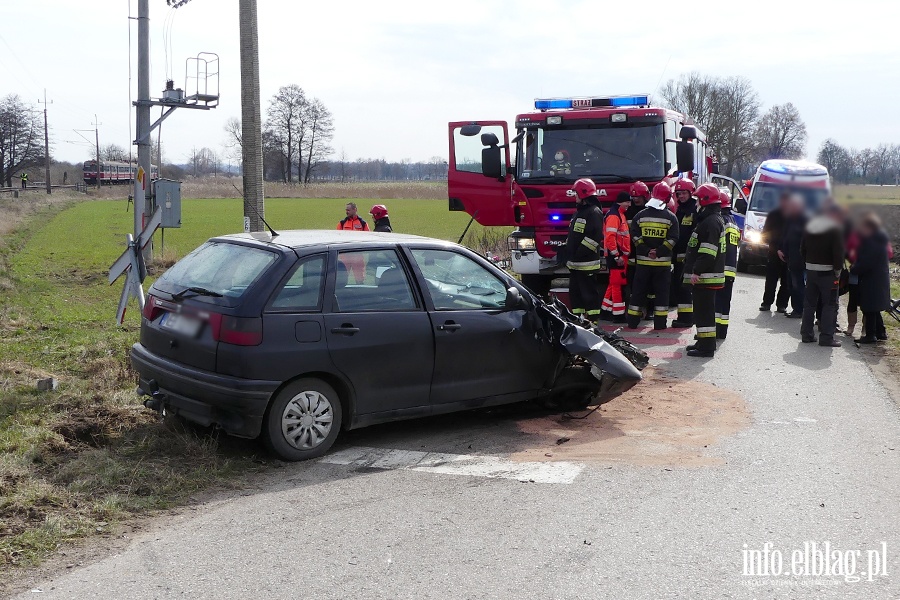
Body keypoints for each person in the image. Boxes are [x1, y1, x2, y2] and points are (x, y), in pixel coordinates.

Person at [627, 182, 679, 330]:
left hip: (643, 263)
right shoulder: (671, 217)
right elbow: (673, 238)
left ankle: (632, 322)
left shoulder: (639, 216)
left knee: (638, 293)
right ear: (668, 197)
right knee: (662, 295)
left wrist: (645, 250)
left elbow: (635, 237)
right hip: (662, 265)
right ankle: (660, 324)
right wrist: (659, 252)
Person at [682, 183, 726, 357]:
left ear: (705, 200)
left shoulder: (711, 222)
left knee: (705, 312)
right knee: (701, 312)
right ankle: (702, 342)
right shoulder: (710, 220)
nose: (696, 204)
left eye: (698, 200)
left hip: (706, 277)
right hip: (705, 276)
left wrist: (697, 271)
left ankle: (706, 347)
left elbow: (708, 253)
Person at [799, 204, 844, 347]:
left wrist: (808, 263)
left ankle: (806, 334)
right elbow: (838, 253)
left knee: (809, 304)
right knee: (830, 305)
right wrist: (838, 271)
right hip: (828, 272)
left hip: (811, 271)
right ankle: (826, 337)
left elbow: (802, 249)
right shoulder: (835, 229)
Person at [565, 178, 606, 320]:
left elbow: (594, 239)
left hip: (586, 264)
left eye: (576, 193)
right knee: (575, 297)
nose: (574, 196)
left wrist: (577, 254)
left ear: (583, 194)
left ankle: (593, 322)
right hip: (575, 265)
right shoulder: (579, 213)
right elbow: (574, 236)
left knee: (589, 295)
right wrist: (566, 251)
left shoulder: (594, 212)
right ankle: (578, 320)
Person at [851, 213, 891, 343]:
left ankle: (871, 335)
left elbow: (866, 263)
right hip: (879, 278)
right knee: (875, 307)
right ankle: (881, 332)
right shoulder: (880, 240)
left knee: (869, 308)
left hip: (871, 280)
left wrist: (854, 269)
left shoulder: (871, 243)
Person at [670, 178, 697, 327]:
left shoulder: (694, 210)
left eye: (683, 193)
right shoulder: (680, 209)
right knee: (679, 287)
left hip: (688, 257)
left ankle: (686, 319)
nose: (681, 196)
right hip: (679, 257)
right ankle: (683, 317)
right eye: (678, 194)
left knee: (684, 288)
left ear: (690, 193)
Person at [600, 192, 631, 322]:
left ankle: (605, 311)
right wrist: (616, 255)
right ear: (621, 202)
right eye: (627, 202)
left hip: (618, 255)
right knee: (618, 285)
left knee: (614, 284)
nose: (629, 204)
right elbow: (610, 238)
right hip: (616, 255)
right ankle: (618, 316)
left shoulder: (618, 214)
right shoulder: (614, 215)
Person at [760, 193, 791, 312]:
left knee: (787, 282)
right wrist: (777, 249)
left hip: (788, 254)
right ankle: (766, 303)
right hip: (774, 253)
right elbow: (765, 235)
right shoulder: (773, 215)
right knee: (771, 281)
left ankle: (782, 305)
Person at [716, 189, 741, 339]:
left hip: (720, 268)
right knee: (725, 304)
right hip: (730, 269)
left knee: (716, 303)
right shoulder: (733, 222)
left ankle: (713, 333)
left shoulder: (721, 221)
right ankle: (721, 332)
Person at [780, 194, 807, 318]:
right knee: (790, 285)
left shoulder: (805, 220)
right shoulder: (790, 219)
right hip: (789, 257)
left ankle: (799, 309)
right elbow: (785, 236)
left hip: (799, 260)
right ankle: (796, 308)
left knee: (798, 286)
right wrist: (781, 249)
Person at [337, 202, 369, 283]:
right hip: (345, 256)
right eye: (346, 210)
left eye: (349, 210)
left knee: (360, 280)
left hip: (357, 256)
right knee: (341, 279)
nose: (347, 212)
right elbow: (336, 238)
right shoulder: (342, 223)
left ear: (355, 210)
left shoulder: (363, 223)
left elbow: (368, 238)